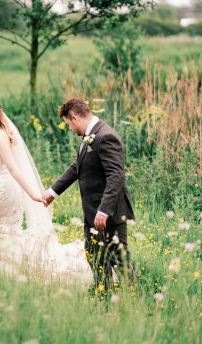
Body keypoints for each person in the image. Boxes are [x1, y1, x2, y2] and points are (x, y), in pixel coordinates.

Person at [0, 99, 93, 285]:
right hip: (0, 188)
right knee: (1, 233)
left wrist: (33, 194)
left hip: (2, 192)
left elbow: (13, 169)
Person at [42, 97, 136, 289]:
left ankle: (134, 297)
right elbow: (78, 166)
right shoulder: (90, 135)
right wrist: (53, 191)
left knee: (119, 259)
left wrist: (104, 210)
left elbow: (116, 176)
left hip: (109, 213)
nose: (69, 128)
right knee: (95, 257)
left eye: (68, 124)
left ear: (75, 117)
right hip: (92, 211)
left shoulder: (105, 136)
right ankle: (104, 295)